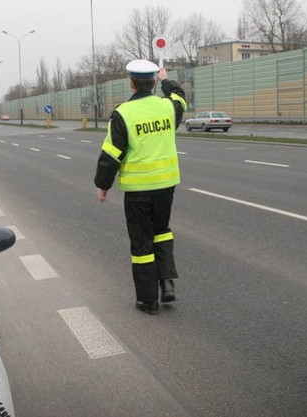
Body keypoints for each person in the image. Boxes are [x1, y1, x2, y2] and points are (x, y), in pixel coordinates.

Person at [94, 59, 187, 315]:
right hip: (166, 186)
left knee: (142, 244)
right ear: (154, 82)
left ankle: (148, 300)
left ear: (131, 82)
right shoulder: (168, 107)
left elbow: (112, 153)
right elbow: (180, 97)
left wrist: (103, 185)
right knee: (162, 232)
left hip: (138, 191)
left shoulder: (123, 113)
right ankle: (167, 282)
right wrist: (167, 80)